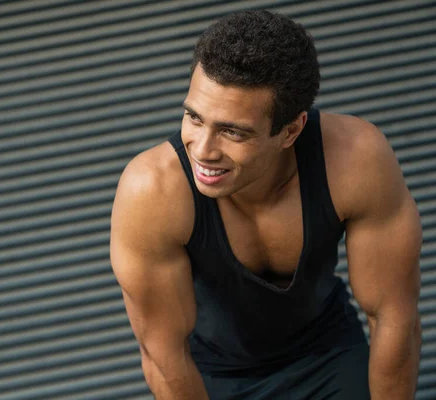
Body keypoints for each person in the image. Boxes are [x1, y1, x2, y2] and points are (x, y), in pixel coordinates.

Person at [109, 10, 422, 400]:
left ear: (290, 131)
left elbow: (393, 318)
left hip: (327, 352)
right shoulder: (151, 191)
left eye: (232, 131)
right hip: (213, 373)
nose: (203, 150)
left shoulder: (356, 160)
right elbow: (163, 355)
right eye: (194, 117)